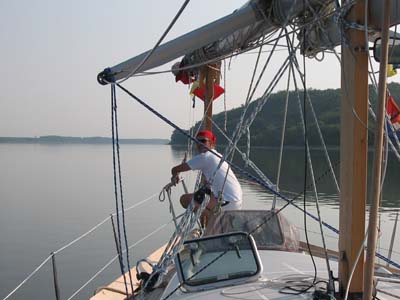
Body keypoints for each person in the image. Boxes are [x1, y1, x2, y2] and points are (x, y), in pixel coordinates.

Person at [171, 130, 242, 219]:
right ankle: (210, 222)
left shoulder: (205, 157)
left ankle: (211, 226)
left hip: (227, 202)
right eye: (197, 141)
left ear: (211, 143)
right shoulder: (217, 155)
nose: (199, 143)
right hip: (236, 201)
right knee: (200, 197)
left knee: (185, 200)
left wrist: (174, 175)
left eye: (203, 141)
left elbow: (175, 169)